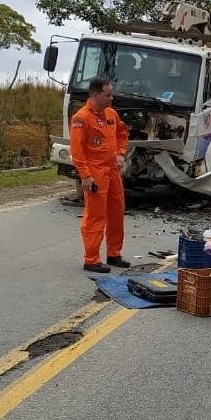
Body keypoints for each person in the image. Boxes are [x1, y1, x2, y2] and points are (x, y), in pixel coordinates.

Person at [69, 77, 130, 273]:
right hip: (95, 173)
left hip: (112, 171)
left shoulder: (111, 114)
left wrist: (121, 153)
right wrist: (85, 176)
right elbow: (77, 151)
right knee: (95, 216)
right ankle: (91, 259)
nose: (112, 98)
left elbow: (122, 133)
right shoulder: (81, 118)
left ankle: (114, 253)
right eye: (108, 95)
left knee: (116, 212)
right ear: (95, 95)